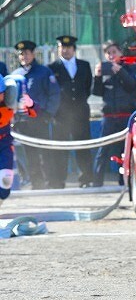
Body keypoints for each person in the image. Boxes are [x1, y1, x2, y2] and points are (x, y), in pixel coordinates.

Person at [11, 40, 60, 190]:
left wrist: (48, 114)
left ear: (33, 54)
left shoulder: (44, 72)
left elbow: (54, 94)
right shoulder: (15, 75)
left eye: (26, 53)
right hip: (23, 121)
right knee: (29, 154)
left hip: (40, 119)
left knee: (46, 152)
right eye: (21, 54)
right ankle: (36, 183)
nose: (24, 56)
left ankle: (51, 182)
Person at [92, 40, 136, 187]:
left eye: (114, 52)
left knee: (124, 151)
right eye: (108, 53)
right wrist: (97, 76)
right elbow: (96, 92)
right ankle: (96, 183)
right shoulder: (105, 70)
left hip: (125, 116)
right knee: (102, 150)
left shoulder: (130, 67)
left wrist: (119, 71)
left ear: (120, 53)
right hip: (108, 117)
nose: (111, 56)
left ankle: (125, 182)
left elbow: (133, 86)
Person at [47, 35, 94, 188]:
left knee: (83, 147)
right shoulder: (52, 67)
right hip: (61, 115)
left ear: (74, 49)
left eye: (68, 47)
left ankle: (86, 179)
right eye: (62, 47)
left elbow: (87, 87)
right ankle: (59, 180)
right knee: (60, 149)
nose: (65, 50)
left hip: (80, 113)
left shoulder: (84, 65)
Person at [0, 76, 36, 206]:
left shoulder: (11, 100)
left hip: (3, 144)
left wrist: (29, 103)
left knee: (5, 182)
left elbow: (33, 112)